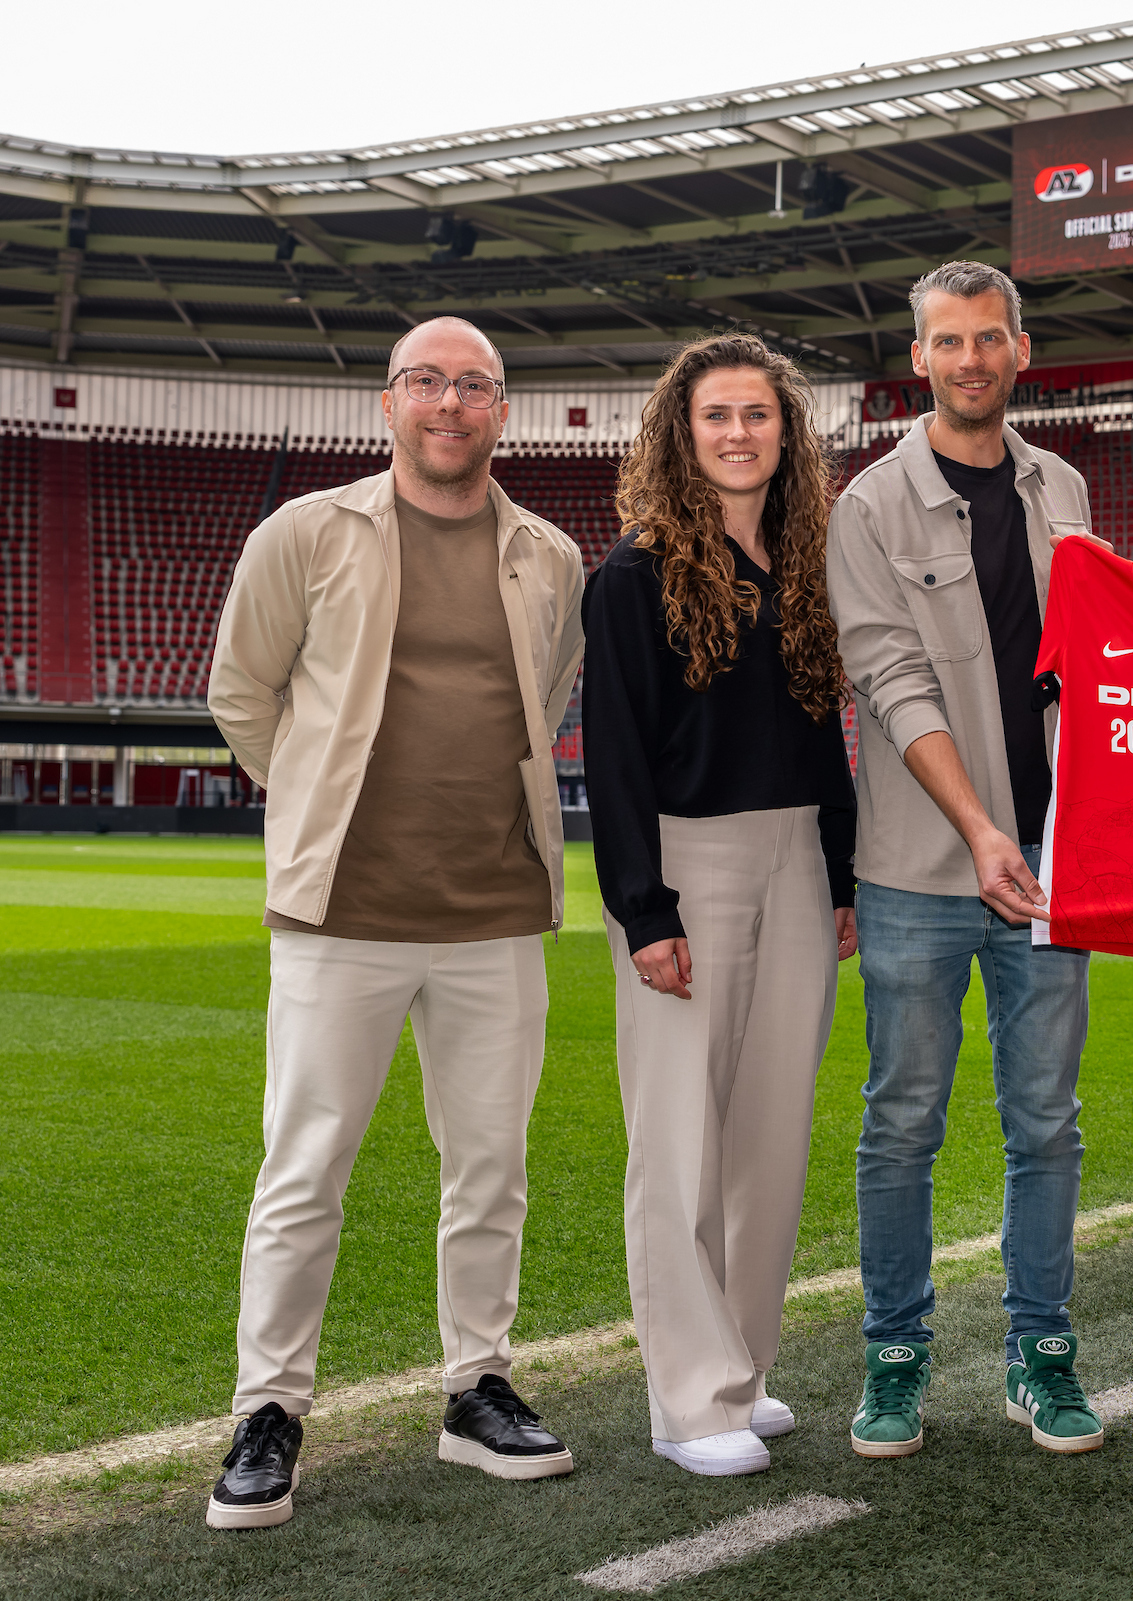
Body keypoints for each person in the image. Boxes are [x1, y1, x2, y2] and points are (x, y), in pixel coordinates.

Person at [204, 317, 584, 1529]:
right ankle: (268, 1409)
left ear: (501, 410)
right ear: (389, 402)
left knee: (491, 1169)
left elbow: (546, 699)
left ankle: (477, 1385)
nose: (449, 403)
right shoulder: (307, 532)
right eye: (427, 381)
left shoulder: (550, 555)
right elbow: (240, 691)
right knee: (303, 1168)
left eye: (473, 385)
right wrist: (315, 802)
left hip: (496, 911)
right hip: (341, 913)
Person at [826, 262, 1104, 1457]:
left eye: (990, 338)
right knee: (903, 1121)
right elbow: (888, 678)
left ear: (1020, 349)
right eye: (949, 341)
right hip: (919, 870)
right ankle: (894, 1357)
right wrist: (982, 828)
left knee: (1046, 1122)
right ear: (920, 357)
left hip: (1055, 865)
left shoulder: (1066, 489)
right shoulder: (869, 505)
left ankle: (1041, 1354)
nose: (972, 359)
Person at [582, 334, 859, 1477]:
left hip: (799, 857)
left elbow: (824, 737)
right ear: (680, 433)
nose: (739, 432)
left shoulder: (807, 561)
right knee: (680, 1139)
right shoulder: (635, 572)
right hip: (687, 862)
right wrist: (644, 910)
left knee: (769, 1138)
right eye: (717, 415)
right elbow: (613, 755)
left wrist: (840, 874)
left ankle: (742, 1367)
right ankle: (687, 1399)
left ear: (787, 432)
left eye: (758, 414)